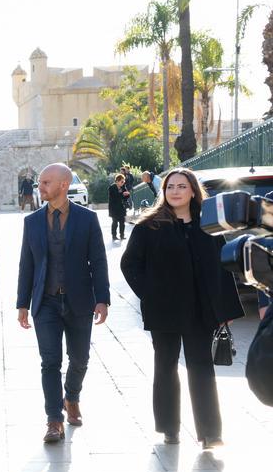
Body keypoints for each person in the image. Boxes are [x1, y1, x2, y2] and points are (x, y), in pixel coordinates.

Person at [120, 168, 244, 449]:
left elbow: (222, 267)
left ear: (192, 191)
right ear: (163, 192)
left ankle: (211, 433)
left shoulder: (209, 225)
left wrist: (225, 310)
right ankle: (169, 428)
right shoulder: (149, 226)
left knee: (201, 368)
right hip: (164, 311)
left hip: (201, 311)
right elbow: (129, 264)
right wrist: (149, 294)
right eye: (170, 187)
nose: (175, 191)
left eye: (181, 186)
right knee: (165, 366)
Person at [17, 163, 110, 443]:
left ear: (63, 185)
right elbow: (27, 264)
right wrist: (22, 303)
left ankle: (71, 397)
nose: (40, 186)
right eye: (40, 182)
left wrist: (102, 299)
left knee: (80, 359)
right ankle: (53, 420)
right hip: (45, 303)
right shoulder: (32, 222)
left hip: (79, 300)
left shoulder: (86, 219)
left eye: (46, 182)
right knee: (50, 362)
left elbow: (99, 260)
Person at [108, 173, 130, 241]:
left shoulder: (123, 187)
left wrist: (127, 194)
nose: (123, 183)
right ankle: (114, 236)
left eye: (124, 182)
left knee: (122, 222)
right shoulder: (111, 188)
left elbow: (126, 197)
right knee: (115, 223)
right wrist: (122, 194)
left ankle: (122, 235)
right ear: (117, 181)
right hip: (114, 209)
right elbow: (114, 197)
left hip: (121, 208)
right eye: (122, 181)